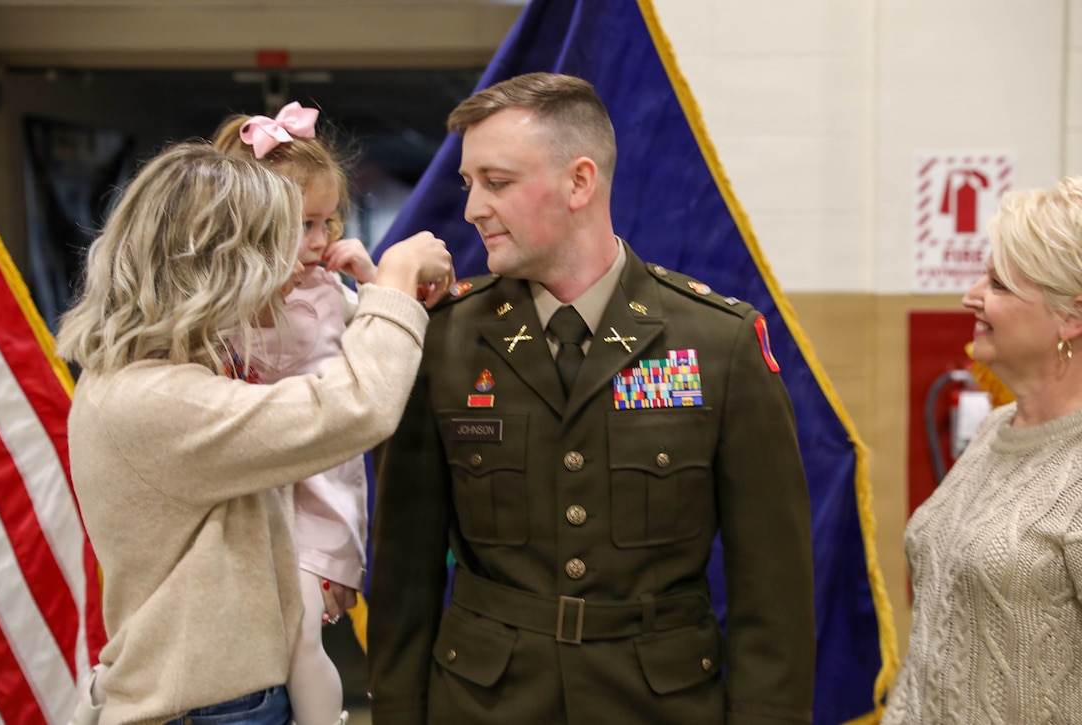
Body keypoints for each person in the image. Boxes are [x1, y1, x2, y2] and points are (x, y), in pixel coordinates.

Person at [366, 72, 815, 725]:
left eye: (497, 182)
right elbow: (403, 571)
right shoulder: (446, 342)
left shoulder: (719, 342)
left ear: (580, 182)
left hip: (659, 703)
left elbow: (772, 583)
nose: (471, 209)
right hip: (486, 702)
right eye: (469, 185)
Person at [57, 141, 453, 725]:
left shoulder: (169, 373)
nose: (301, 262)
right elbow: (353, 408)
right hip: (214, 707)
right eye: (274, 244)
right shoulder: (154, 400)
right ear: (217, 262)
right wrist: (391, 284)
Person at [883, 177, 1082, 723]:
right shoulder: (995, 431)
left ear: (1070, 317)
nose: (971, 295)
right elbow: (937, 646)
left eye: (997, 283)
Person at [212, 101, 378, 725]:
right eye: (303, 224)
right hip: (255, 495)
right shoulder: (219, 306)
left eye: (328, 222)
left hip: (318, 488)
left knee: (305, 625)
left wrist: (375, 279)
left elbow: (390, 340)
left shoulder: (328, 292)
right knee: (281, 627)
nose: (320, 241)